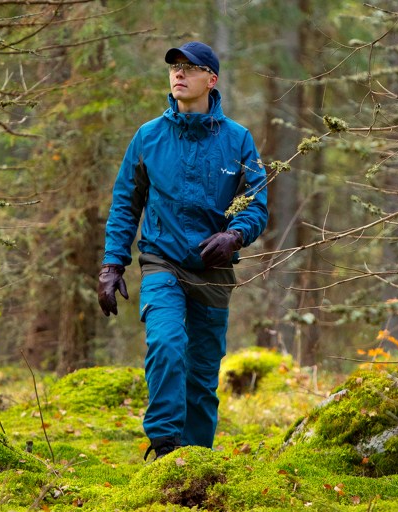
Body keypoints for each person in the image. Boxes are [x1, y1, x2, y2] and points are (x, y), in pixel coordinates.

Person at [97, 41, 269, 461]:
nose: (179, 74)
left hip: (213, 272)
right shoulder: (148, 137)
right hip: (162, 262)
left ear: (211, 80)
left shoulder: (238, 140)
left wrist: (235, 235)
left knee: (202, 374)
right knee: (167, 343)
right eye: (175, 67)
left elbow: (257, 203)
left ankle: (194, 462)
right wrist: (112, 263)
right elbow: (126, 202)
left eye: (190, 68)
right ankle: (164, 444)